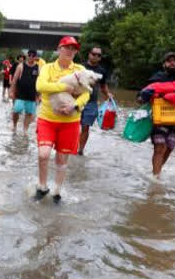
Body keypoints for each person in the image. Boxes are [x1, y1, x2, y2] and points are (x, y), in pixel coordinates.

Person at [33, 36, 89, 203]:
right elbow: (40, 86)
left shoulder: (79, 69)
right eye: (67, 47)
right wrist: (64, 87)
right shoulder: (48, 68)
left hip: (70, 121)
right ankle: (42, 187)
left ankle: (57, 192)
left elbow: (86, 93)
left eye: (74, 49)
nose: (70, 51)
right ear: (59, 49)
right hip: (47, 119)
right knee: (43, 154)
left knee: (61, 159)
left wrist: (75, 105)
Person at [78, 46, 112, 155]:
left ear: (100, 58)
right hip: (76, 100)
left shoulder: (102, 71)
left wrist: (108, 94)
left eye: (99, 55)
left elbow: (103, 86)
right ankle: (70, 146)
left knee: (85, 126)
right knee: (72, 125)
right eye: (94, 54)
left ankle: (80, 150)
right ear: (89, 54)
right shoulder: (80, 67)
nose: (96, 56)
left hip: (91, 103)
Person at [10, 50, 40, 132]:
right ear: (27, 56)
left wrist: (39, 96)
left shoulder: (38, 68)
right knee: (16, 110)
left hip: (31, 94)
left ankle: (25, 130)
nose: (31, 57)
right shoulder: (21, 66)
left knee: (29, 113)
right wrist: (11, 91)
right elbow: (14, 79)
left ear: (35, 57)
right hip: (20, 94)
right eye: (29, 55)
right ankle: (14, 125)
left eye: (33, 55)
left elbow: (39, 82)